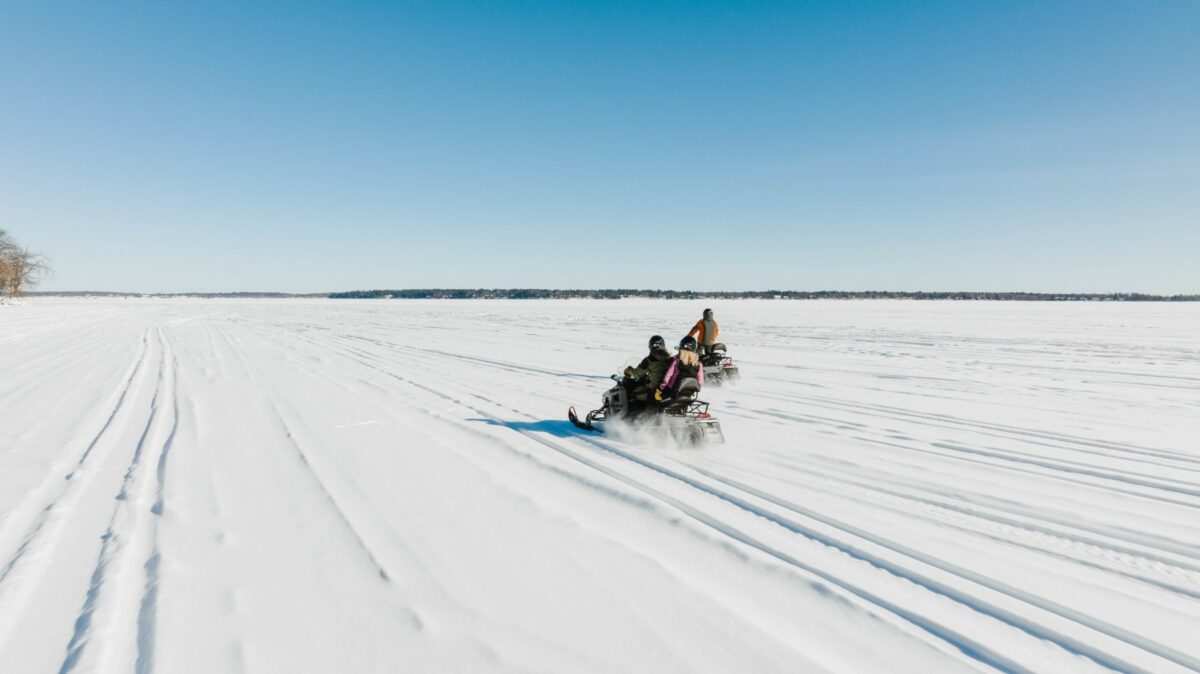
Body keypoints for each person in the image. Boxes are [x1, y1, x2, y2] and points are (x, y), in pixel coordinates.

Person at [624, 335, 673, 403]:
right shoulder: (671, 358)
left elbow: (637, 374)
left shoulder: (649, 360)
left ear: (650, 346)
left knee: (633, 393)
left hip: (653, 390)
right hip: (666, 389)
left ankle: (636, 413)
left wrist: (627, 370)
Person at [656, 336, 704, 401]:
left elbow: (668, 374)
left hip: (674, 390)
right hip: (689, 391)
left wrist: (662, 387)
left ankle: (651, 410)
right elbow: (700, 380)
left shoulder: (678, 359)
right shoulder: (698, 362)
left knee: (655, 395)